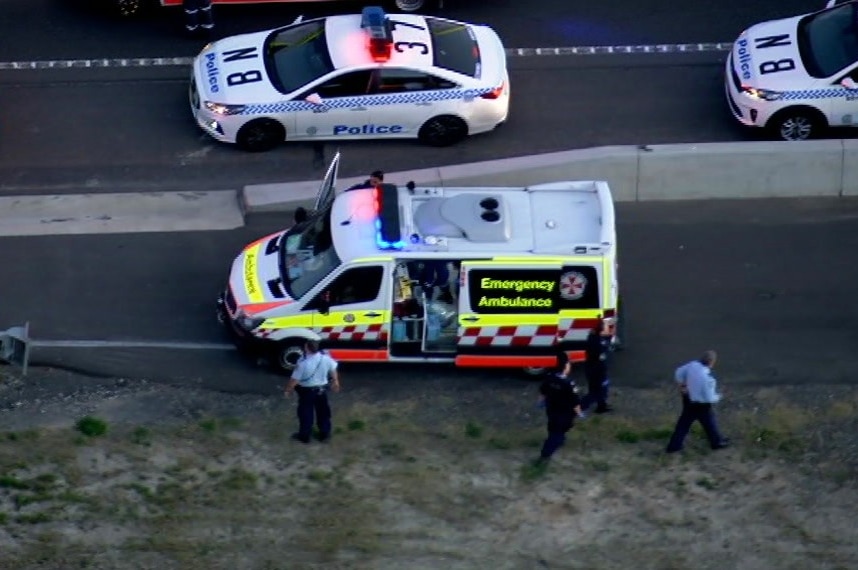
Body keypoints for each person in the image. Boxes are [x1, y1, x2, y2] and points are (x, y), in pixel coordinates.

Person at [665, 350, 730, 453]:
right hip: (701, 404)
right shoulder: (708, 379)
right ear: (711, 362)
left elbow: (678, 372)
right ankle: (716, 442)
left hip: (688, 399)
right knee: (709, 422)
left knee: (684, 424)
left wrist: (682, 385)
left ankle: (674, 446)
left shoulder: (692, 365)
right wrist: (719, 396)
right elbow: (709, 398)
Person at [284, 340, 340, 443]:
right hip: (322, 390)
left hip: (306, 392)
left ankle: (305, 436)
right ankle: (325, 435)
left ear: (307, 348)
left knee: (305, 414)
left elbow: (295, 380)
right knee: (323, 413)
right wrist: (336, 381)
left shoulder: (303, 363)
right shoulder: (325, 358)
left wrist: (288, 390)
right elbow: (333, 368)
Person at [535, 351, 584, 466]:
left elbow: (543, 392)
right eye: (568, 364)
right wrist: (580, 413)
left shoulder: (549, 377)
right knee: (558, 433)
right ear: (565, 366)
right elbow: (574, 401)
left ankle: (557, 441)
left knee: (553, 427)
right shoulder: (568, 383)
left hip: (552, 409)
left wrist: (540, 403)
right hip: (564, 413)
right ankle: (545, 455)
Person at [580, 319, 613, 414]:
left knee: (599, 389)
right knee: (596, 391)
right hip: (596, 370)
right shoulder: (597, 342)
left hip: (592, 368)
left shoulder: (592, 337)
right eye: (604, 325)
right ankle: (580, 407)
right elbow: (603, 351)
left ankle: (601, 406)